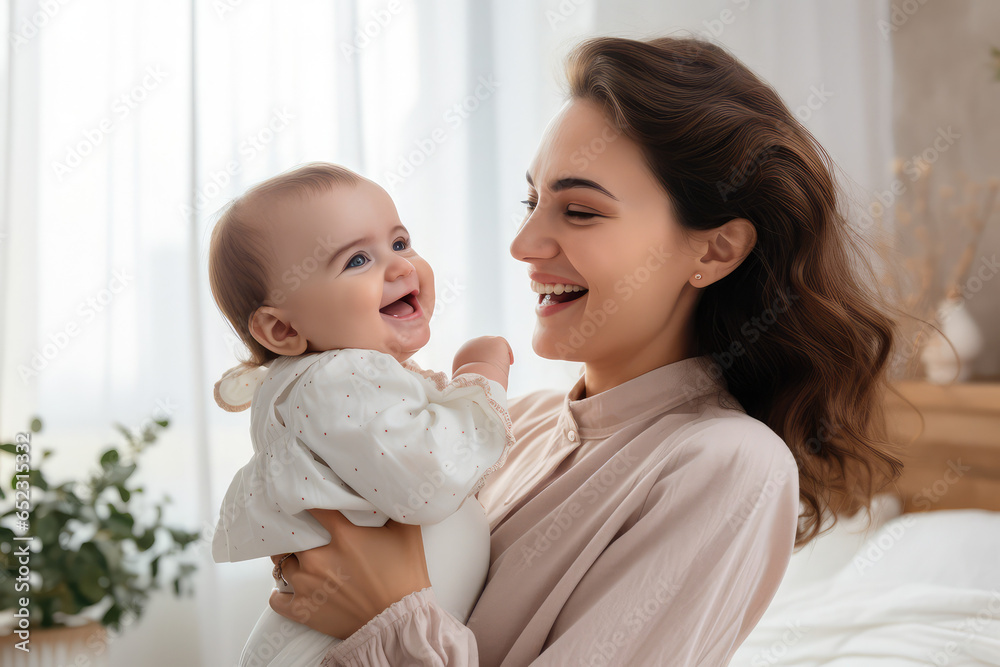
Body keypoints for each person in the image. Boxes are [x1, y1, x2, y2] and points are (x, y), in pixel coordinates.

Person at [268, 36, 904, 666]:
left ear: (714, 250)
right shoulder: (517, 422)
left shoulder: (729, 463)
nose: (523, 243)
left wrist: (389, 615)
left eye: (578, 211)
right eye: (532, 202)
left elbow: (381, 598)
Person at [207, 163, 517, 666]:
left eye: (399, 243)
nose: (399, 268)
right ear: (282, 331)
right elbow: (437, 473)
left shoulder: (325, 385)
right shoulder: (339, 379)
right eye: (356, 260)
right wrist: (480, 378)